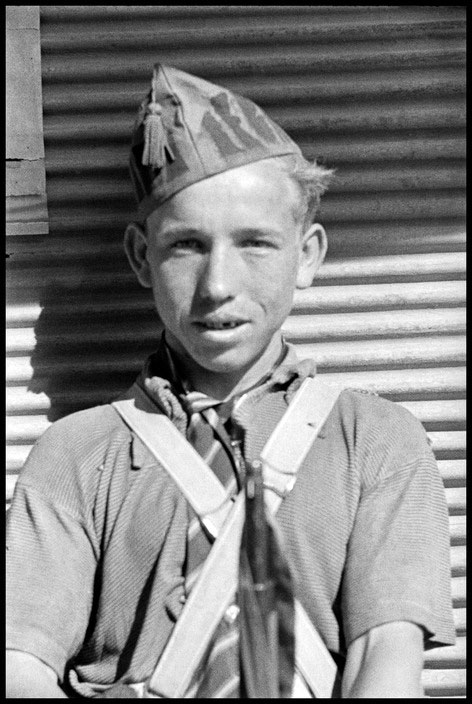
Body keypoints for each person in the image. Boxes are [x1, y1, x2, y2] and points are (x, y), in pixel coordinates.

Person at [6, 64, 455, 699]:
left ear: (308, 257)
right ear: (141, 256)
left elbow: (385, 658)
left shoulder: (376, 442)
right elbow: (16, 667)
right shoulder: (77, 456)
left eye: (255, 244)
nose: (218, 285)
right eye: (186, 246)